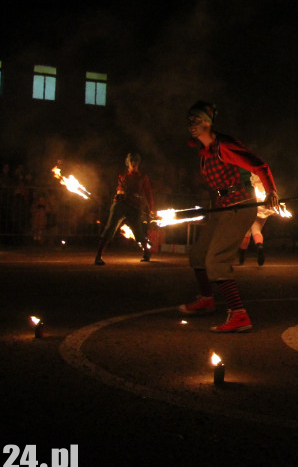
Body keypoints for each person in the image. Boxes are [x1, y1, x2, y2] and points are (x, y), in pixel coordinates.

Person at [177, 101, 279, 333]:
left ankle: (240, 315)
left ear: (208, 122)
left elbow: (260, 166)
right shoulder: (204, 152)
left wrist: (271, 191)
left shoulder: (224, 145)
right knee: (198, 255)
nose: (191, 124)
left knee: (216, 261)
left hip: (240, 206)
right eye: (189, 120)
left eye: (197, 119)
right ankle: (206, 298)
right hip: (223, 207)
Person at [94, 153, 155, 265]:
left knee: (139, 233)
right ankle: (98, 256)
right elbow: (121, 188)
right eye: (132, 161)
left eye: (136, 161)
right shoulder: (122, 176)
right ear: (128, 163)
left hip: (134, 207)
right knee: (109, 229)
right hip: (120, 205)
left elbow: (148, 193)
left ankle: (146, 252)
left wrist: (151, 209)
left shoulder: (143, 178)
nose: (134, 163)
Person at [238, 172, 274, 265]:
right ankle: (259, 247)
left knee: (247, 231)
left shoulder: (248, 175)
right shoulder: (265, 175)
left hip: (252, 203)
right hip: (263, 205)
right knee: (256, 229)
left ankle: (242, 255)